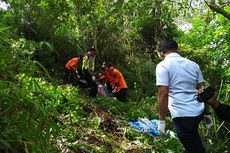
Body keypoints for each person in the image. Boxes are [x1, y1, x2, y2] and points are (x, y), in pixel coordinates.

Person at [155, 39, 211, 153]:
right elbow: (203, 90)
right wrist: (206, 112)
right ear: (178, 49)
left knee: (195, 149)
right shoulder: (193, 65)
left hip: (182, 115)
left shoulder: (163, 66)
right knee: (191, 143)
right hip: (198, 112)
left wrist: (161, 122)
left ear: (161, 52)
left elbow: (163, 94)